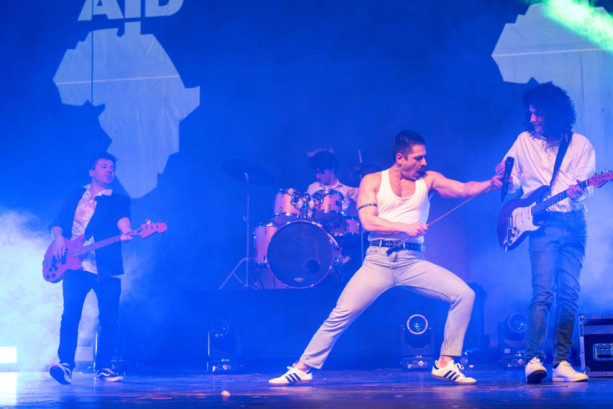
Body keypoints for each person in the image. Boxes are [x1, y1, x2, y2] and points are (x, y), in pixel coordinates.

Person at [269, 130, 502, 386]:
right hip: (377, 262)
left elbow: (464, 189)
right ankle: (302, 368)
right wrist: (404, 227)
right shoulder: (372, 181)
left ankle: (445, 362)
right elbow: (368, 221)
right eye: (418, 158)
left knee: (465, 294)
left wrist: (491, 184)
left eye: (424, 157)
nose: (424, 162)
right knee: (341, 313)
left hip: (412, 261)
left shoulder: (429, 179)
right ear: (400, 158)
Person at [498, 83, 595, 384]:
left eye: (539, 114)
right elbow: (513, 182)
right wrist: (505, 176)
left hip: (574, 223)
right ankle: (533, 359)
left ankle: (562, 361)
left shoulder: (580, 144)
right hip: (542, 224)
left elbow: (586, 189)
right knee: (542, 292)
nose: (533, 119)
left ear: (554, 114)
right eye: (531, 114)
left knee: (570, 293)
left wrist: (579, 192)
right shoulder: (523, 141)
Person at [48, 152, 132, 384]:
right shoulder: (76, 194)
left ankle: (104, 367)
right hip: (74, 265)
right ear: (92, 171)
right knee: (70, 316)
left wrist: (127, 231)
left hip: (107, 268)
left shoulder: (118, 200)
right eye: (104, 166)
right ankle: (66, 365)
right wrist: (58, 239)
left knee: (109, 320)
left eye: (112, 167)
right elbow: (58, 222)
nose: (109, 170)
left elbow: (123, 220)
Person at [306, 149, 359, 215]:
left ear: (332, 169)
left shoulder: (347, 186)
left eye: (321, 172)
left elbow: (363, 201)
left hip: (343, 221)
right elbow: (308, 215)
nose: (317, 176)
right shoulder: (312, 188)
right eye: (316, 173)